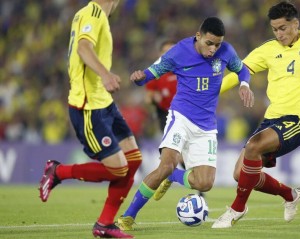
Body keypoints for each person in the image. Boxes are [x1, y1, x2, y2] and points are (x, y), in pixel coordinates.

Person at [212, 1, 300, 228]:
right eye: (274, 29)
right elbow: (241, 71)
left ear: (295, 24)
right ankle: (290, 195)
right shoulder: (268, 49)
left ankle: (236, 209)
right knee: (241, 173)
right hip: (272, 118)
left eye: (283, 28)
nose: (279, 34)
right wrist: (210, 93)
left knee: (253, 146)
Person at [117, 16, 254, 231]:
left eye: (217, 44)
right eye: (209, 43)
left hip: (207, 126)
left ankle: (173, 176)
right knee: (166, 165)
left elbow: (242, 69)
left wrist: (244, 84)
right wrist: (139, 78)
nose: (213, 49)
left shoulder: (226, 51)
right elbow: (151, 73)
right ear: (198, 36)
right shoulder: (179, 52)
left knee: (204, 183)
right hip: (180, 117)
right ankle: (128, 216)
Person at [38, 1, 142, 238]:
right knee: (118, 170)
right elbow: (83, 48)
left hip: (104, 102)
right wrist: (105, 74)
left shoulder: (92, 15)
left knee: (133, 159)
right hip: (88, 108)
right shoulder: (93, 13)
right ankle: (58, 171)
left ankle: (105, 224)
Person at [145, 39, 205, 198]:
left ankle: (174, 174)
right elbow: (148, 96)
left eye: (172, 51)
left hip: (186, 113)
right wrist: (154, 97)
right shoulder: (155, 73)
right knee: (176, 151)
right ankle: (175, 175)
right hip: (165, 115)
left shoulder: (186, 68)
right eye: (165, 51)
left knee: (184, 152)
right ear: (160, 54)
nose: (169, 54)